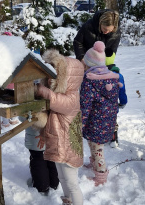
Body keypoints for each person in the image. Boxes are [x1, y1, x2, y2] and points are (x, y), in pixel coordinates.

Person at [35, 49, 84, 205]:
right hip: (58, 145)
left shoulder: (72, 97)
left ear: (67, 78)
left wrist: (44, 92)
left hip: (68, 148)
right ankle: (68, 201)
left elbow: (58, 102)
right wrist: (43, 134)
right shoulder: (59, 95)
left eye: (56, 77)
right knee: (62, 178)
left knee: (72, 183)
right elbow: (49, 119)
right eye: (49, 76)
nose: (50, 81)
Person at [80, 41, 122, 185]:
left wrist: (81, 122)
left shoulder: (89, 80)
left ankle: (101, 176)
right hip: (107, 121)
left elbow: (85, 105)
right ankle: (94, 164)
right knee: (93, 143)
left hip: (94, 121)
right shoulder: (111, 76)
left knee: (98, 149)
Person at [19, 114, 59, 196]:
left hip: (35, 136)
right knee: (51, 159)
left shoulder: (31, 104)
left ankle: (41, 186)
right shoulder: (53, 101)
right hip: (52, 132)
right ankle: (54, 183)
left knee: (38, 160)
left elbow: (23, 117)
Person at [105, 47, 127, 147]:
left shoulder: (95, 74)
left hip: (98, 106)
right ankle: (113, 139)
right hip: (113, 106)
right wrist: (123, 102)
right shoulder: (118, 76)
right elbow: (122, 91)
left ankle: (100, 138)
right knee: (112, 121)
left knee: (98, 121)